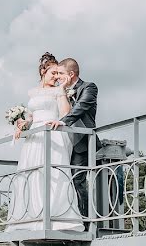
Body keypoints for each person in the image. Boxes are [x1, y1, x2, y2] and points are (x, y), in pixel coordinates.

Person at [6, 53, 84, 231]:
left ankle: (55, 217)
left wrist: (61, 91)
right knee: (32, 173)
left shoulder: (59, 90)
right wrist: (22, 124)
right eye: (53, 73)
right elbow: (32, 117)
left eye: (58, 73)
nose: (56, 77)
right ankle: (32, 217)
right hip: (35, 137)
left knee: (53, 173)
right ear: (43, 71)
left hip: (53, 133)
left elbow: (65, 113)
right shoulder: (33, 92)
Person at [48, 58, 98, 219]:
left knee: (77, 180)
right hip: (61, 143)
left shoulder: (88, 87)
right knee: (61, 181)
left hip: (80, 142)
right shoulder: (59, 90)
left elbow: (80, 108)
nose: (57, 77)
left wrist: (63, 121)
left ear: (71, 74)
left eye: (61, 74)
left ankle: (85, 220)